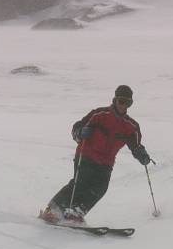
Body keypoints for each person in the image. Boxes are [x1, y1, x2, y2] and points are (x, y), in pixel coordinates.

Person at [40, 85, 152, 225]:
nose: (123, 105)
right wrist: (80, 133)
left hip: (106, 162)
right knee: (80, 183)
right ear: (115, 100)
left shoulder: (131, 126)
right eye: (121, 101)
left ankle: (76, 212)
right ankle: (53, 210)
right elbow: (77, 128)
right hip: (87, 154)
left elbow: (135, 145)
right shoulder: (99, 115)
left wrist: (141, 155)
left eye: (127, 103)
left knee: (100, 188)